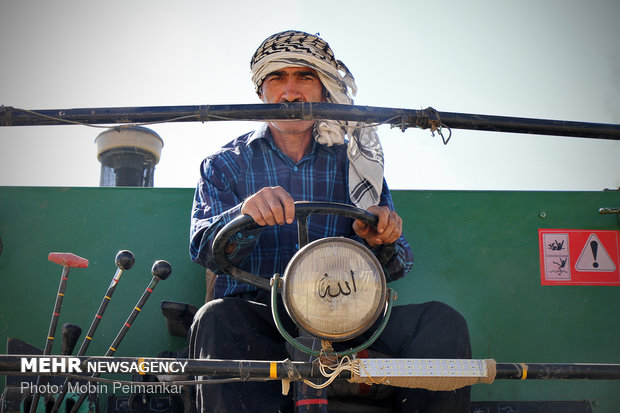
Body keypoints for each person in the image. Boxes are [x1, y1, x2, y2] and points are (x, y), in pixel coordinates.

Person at [189, 30, 471, 412]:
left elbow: (400, 262)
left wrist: (381, 238)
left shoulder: (357, 164)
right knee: (216, 319)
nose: (290, 92)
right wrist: (245, 215)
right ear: (261, 93)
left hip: (349, 321)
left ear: (324, 90)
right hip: (262, 319)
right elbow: (204, 248)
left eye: (304, 76)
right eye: (277, 78)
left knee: (441, 322)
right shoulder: (224, 165)